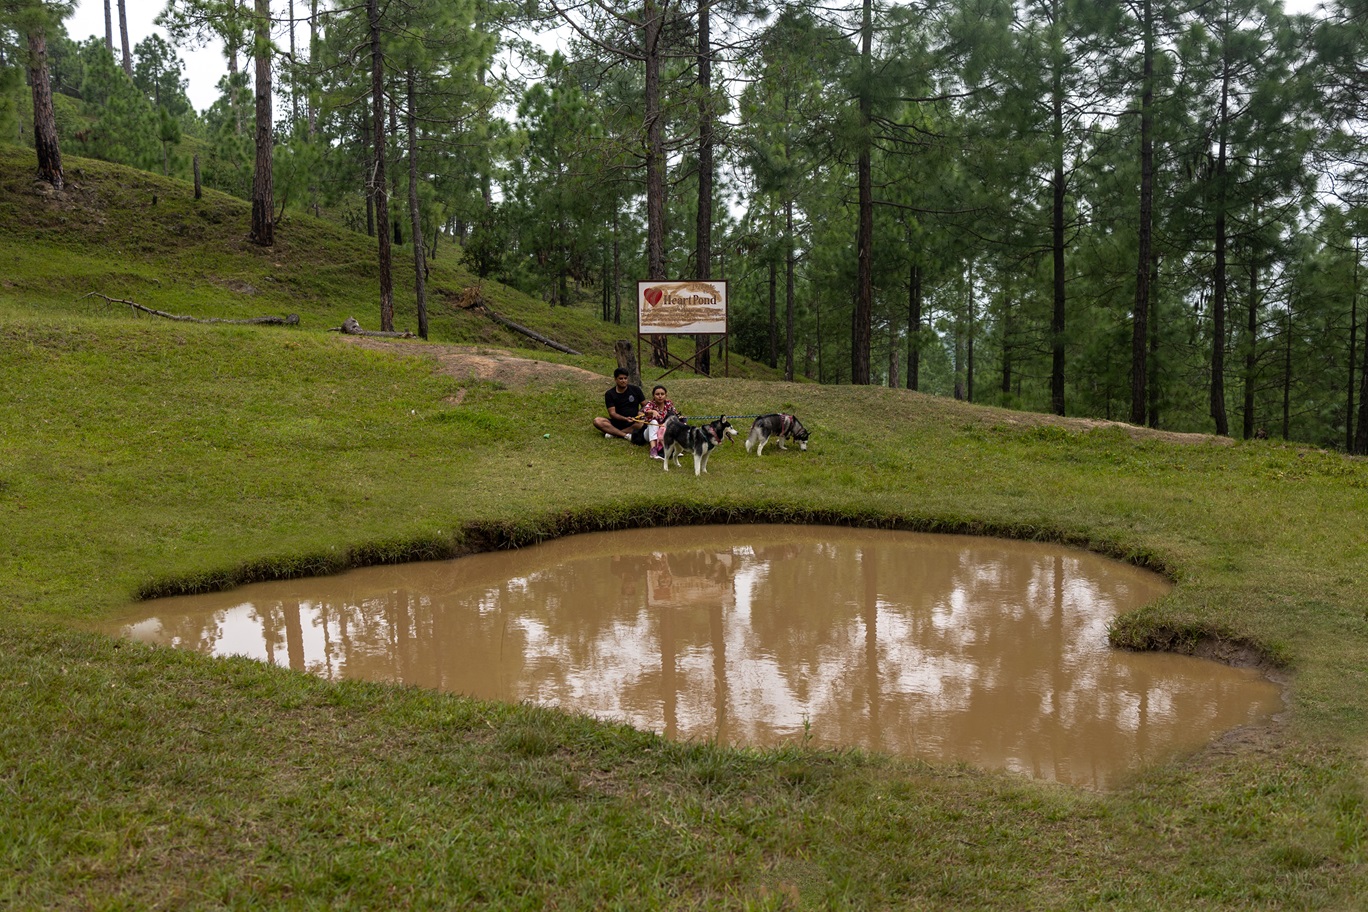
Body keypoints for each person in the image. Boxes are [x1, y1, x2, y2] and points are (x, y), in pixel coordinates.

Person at [594, 367, 647, 443]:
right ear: (615, 379)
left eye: (625, 378)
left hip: (633, 421)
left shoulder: (636, 390)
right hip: (618, 421)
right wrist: (625, 418)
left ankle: (613, 433)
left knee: (641, 423)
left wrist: (640, 412)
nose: (623, 381)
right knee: (597, 421)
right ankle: (625, 435)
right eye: (621, 379)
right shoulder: (610, 394)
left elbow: (645, 405)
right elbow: (612, 413)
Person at [640, 384, 678, 459]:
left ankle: (672, 448)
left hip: (663, 432)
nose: (660, 396)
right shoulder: (650, 404)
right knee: (653, 422)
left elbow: (675, 414)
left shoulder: (669, 404)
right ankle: (653, 450)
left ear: (666, 395)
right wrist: (653, 411)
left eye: (662, 394)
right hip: (649, 433)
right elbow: (646, 411)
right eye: (657, 394)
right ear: (653, 396)